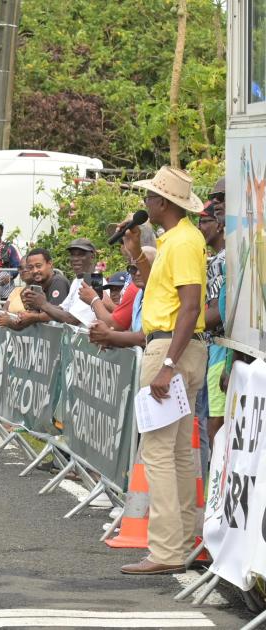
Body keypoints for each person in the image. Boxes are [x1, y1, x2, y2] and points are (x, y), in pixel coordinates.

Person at [116, 166, 208, 576]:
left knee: (157, 451)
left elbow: (191, 305)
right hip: (174, 347)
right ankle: (183, 542)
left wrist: (168, 364)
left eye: (151, 197)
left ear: (164, 203)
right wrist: (136, 253)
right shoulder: (177, 239)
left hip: (170, 349)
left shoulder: (185, 241)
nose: (146, 203)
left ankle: (168, 550)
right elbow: (163, 290)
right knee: (175, 453)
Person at [198, 178, 227, 449]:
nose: (200, 227)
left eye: (204, 221)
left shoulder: (226, 258)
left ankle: (216, 489)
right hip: (212, 350)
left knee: (215, 427)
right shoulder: (213, 259)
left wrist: (187, 325)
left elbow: (218, 312)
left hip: (222, 350)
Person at [25, 238, 99, 327]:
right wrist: (37, 303)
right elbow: (62, 309)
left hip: (88, 340)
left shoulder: (96, 281)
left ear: (92, 256)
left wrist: (43, 304)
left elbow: (72, 319)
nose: (75, 259)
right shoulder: (77, 280)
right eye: (72, 255)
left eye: (81, 255)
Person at [0, 248, 71, 329]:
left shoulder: (59, 282)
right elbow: (31, 314)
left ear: (50, 264)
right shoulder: (35, 284)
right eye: (31, 267)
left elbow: (54, 314)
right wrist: (20, 318)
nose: (35, 270)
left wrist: (32, 317)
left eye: (38, 266)